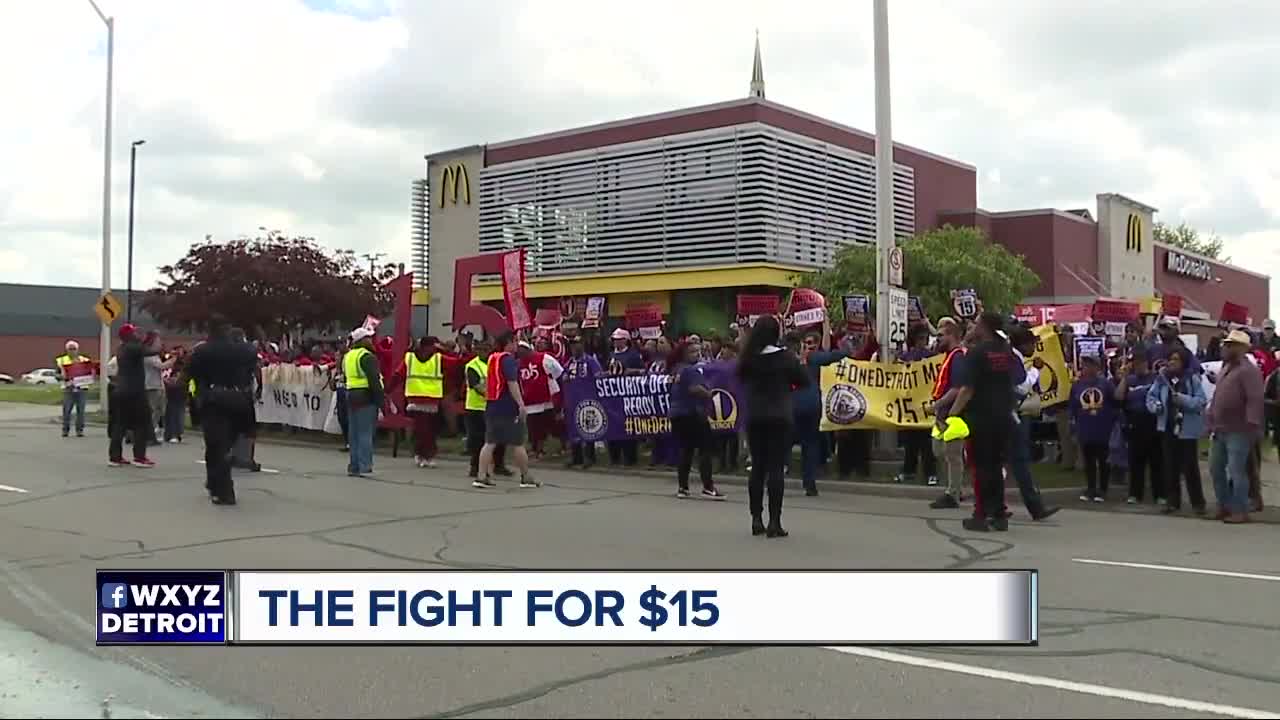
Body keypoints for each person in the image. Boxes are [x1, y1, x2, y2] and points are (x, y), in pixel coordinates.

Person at [939, 312, 1017, 532]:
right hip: (1003, 414)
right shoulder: (1005, 350)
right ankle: (999, 514)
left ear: (983, 327)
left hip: (981, 417)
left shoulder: (977, 353)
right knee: (995, 466)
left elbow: (967, 390)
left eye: (976, 323)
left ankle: (980, 514)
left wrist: (952, 415)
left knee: (980, 468)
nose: (973, 326)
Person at [737, 315, 809, 538]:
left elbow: (741, 378)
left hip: (756, 416)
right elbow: (804, 381)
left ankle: (756, 518)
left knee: (758, 467)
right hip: (779, 416)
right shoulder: (786, 357)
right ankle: (774, 522)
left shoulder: (749, 358)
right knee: (776, 468)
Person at [183, 319, 260, 504]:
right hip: (239, 400)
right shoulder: (245, 350)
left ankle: (223, 489)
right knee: (225, 444)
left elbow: (191, 373)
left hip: (214, 400)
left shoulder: (202, 351)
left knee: (216, 445)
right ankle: (215, 482)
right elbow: (252, 366)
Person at [1206, 329, 1264, 523]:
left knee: (1237, 471)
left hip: (1240, 429)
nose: (1225, 347)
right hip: (1220, 428)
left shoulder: (1249, 371)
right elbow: (1218, 396)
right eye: (1225, 344)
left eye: (1230, 345)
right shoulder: (1226, 368)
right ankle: (1225, 505)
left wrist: (1252, 425)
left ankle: (1240, 510)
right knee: (1215, 468)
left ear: (1241, 348)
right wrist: (1211, 418)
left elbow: (1254, 399)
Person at [1146, 347, 1208, 515]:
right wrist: (1156, 407)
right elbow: (1151, 397)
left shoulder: (1191, 379)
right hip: (1167, 427)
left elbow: (1201, 401)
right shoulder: (1162, 379)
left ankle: (1198, 503)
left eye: (1177, 359)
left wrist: (1183, 399)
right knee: (1170, 466)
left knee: (1190, 467)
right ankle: (1172, 501)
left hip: (1186, 429)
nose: (1173, 362)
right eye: (1171, 359)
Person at [1008, 327, 1059, 520]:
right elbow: (1021, 388)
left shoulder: (1011, 357)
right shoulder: (1014, 359)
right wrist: (1036, 371)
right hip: (1012, 415)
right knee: (1020, 461)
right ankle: (1035, 507)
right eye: (1032, 344)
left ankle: (994, 506)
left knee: (1006, 461)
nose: (1034, 347)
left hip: (1006, 414)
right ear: (1023, 344)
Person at [476, 331, 536, 489]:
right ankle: (526, 477)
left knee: (489, 442)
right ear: (509, 342)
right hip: (507, 407)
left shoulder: (493, 358)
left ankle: (481, 476)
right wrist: (521, 404)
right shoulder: (508, 360)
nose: (517, 345)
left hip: (492, 405)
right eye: (515, 342)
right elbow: (512, 383)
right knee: (518, 443)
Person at [668, 340, 725, 500]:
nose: (697, 354)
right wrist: (708, 394)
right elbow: (694, 389)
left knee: (686, 451)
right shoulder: (691, 370)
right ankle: (708, 486)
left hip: (677, 414)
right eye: (693, 352)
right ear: (684, 354)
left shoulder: (676, 369)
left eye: (698, 351)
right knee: (705, 449)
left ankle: (683, 487)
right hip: (692, 413)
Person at [794, 325, 847, 496]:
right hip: (802, 406)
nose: (808, 347)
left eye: (811, 344)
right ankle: (802, 482)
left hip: (803, 407)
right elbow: (835, 355)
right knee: (805, 444)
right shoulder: (804, 359)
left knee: (809, 445)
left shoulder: (811, 358)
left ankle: (809, 483)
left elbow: (833, 355)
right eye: (805, 343)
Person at [928, 318, 968, 509]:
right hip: (943, 414)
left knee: (952, 454)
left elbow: (957, 388)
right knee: (940, 451)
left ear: (952, 336)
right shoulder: (950, 356)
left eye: (941, 335)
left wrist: (937, 405)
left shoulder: (958, 357)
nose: (938, 339)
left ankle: (953, 494)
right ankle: (956, 488)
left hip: (953, 414)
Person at [1115, 351, 1162, 504]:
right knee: (1136, 461)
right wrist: (1124, 378)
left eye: (1141, 363)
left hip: (1153, 422)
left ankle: (1160, 494)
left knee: (1157, 461)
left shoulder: (1155, 379)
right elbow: (1119, 397)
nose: (1138, 366)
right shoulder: (1130, 380)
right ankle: (1135, 493)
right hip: (1134, 423)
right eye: (1135, 363)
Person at [108, 324, 158, 468]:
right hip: (134, 391)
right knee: (142, 423)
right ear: (129, 335)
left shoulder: (122, 348)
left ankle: (115, 457)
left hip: (121, 390)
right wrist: (151, 338)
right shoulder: (133, 347)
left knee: (120, 424)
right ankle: (139, 457)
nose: (137, 333)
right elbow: (152, 351)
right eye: (134, 331)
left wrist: (145, 339)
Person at [1070, 354, 1118, 502]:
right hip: (1085, 428)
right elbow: (1073, 406)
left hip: (1103, 428)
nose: (1085, 368)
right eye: (1083, 365)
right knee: (1089, 460)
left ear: (1096, 367)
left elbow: (1115, 401)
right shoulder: (1077, 385)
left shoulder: (1105, 384)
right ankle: (1090, 487)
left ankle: (1103, 489)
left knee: (1103, 460)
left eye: (1088, 365)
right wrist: (1073, 426)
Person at [895, 324, 938, 485]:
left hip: (926, 405)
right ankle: (908, 471)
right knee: (910, 444)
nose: (924, 341)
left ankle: (930, 473)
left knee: (927, 444)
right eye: (921, 338)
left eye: (926, 338)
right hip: (910, 405)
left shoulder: (932, 356)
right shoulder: (906, 357)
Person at [463, 339, 507, 477]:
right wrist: (494, 396)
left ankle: (499, 465)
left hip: (494, 407)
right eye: (480, 349)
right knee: (478, 440)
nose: (483, 352)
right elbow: (477, 386)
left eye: (486, 349)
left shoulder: (495, 363)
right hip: (476, 408)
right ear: (476, 350)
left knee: (500, 438)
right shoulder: (472, 366)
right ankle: (475, 467)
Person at [343, 327, 384, 478]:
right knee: (365, 433)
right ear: (362, 340)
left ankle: (354, 466)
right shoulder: (367, 356)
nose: (372, 340)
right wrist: (381, 401)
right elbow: (374, 380)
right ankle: (365, 465)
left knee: (353, 433)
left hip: (351, 394)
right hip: (366, 396)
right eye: (369, 338)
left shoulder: (348, 356)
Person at [517, 339, 564, 459]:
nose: (519, 353)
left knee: (554, 425)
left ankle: (563, 446)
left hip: (547, 400)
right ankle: (537, 449)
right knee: (534, 427)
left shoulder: (544, 358)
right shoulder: (519, 363)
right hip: (530, 401)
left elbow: (559, 372)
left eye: (521, 350)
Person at [403, 336, 446, 468]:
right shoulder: (438, 359)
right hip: (424, 400)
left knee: (425, 430)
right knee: (426, 430)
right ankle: (425, 455)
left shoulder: (411, 358)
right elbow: (457, 363)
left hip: (422, 400)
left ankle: (423, 454)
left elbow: (398, 374)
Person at [563, 336, 603, 468]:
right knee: (574, 429)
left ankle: (590, 457)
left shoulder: (590, 361)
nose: (574, 347)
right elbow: (564, 375)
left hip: (587, 400)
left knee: (588, 428)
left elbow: (599, 376)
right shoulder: (570, 362)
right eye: (572, 345)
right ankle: (577, 457)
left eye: (577, 344)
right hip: (572, 401)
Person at [606, 328, 644, 465]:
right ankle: (614, 457)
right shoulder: (611, 355)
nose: (616, 342)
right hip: (613, 396)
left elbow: (643, 370)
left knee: (628, 427)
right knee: (613, 426)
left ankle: (630, 457)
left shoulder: (633, 355)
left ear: (625, 340)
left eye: (619, 339)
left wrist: (632, 371)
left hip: (628, 395)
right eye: (615, 339)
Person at [55, 340, 93, 438]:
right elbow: (56, 374)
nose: (72, 351)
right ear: (67, 350)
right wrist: (61, 377)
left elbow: (91, 372)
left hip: (82, 388)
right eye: (70, 349)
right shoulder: (62, 360)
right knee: (67, 410)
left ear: (78, 350)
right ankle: (65, 430)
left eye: (74, 349)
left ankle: (79, 430)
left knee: (81, 411)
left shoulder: (84, 360)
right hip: (69, 388)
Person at [142, 332, 174, 446]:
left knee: (158, 410)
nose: (160, 344)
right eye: (158, 341)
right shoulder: (148, 355)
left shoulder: (154, 355)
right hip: (150, 386)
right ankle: (147, 435)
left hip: (157, 385)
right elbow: (162, 366)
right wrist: (173, 359)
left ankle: (151, 433)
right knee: (153, 411)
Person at [163, 346, 189, 443]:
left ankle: (176, 433)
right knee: (170, 412)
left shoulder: (184, 364)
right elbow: (164, 372)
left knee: (177, 412)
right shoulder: (169, 362)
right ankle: (169, 434)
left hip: (180, 390)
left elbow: (184, 377)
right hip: (170, 389)